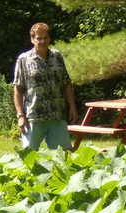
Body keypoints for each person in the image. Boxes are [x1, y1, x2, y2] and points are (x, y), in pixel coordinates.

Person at [12, 22, 79, 150]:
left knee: (63, 156)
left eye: (45, 38)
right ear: (32, 39)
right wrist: (20, 116)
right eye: (38, 38)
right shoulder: (24, 59)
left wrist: (72, 107)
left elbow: (66, 83)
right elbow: (18, 89)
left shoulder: (57, 56)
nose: (42, 41)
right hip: (33, 116)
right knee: (29, 156)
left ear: (49, 39)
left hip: (57, 114)